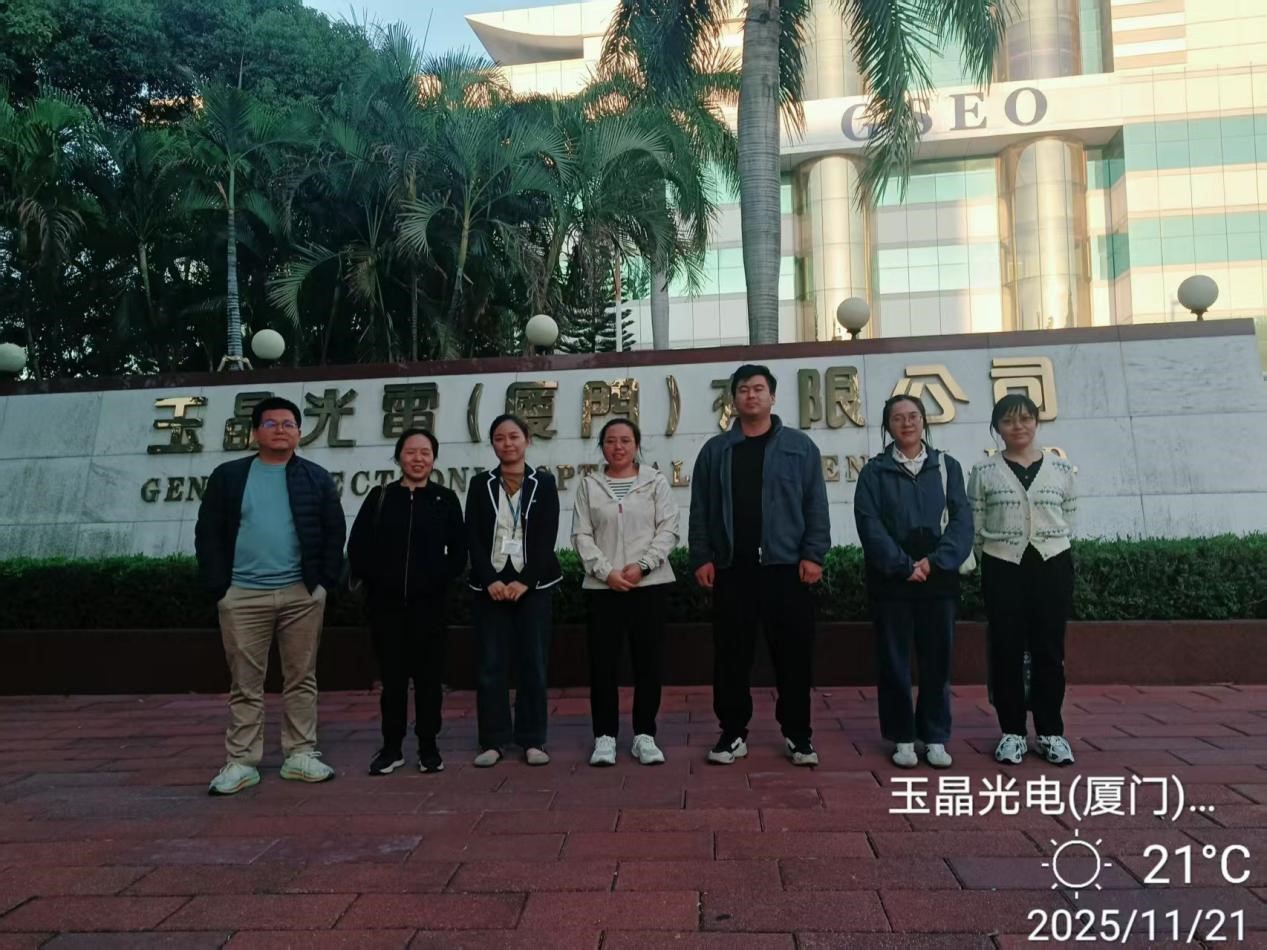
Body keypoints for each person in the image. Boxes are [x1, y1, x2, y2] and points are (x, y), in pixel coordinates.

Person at [195, 396, 346, 795]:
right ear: (254, 433)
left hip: (301, 594)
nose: (281, 430)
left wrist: (323, 585)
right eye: (271, 423)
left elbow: (334, 532)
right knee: (245, 683)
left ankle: (300, 754)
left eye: (288, 424)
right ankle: (242, 761)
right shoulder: (229, 476)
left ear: (299, 433)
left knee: (301, 678)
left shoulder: (315, 477)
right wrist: (220, 589)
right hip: (242, 595)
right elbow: (208, 533)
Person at [688, 364, 830, 767]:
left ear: (772, 396)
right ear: (733, 398)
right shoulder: (716, 451)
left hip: (787, 569)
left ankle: (798, 735)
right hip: (733, 569)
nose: (751, 396)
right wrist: (701, 556)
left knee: (793, 656)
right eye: (743, 390)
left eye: (758, 389)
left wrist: (814, 554)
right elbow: (700, 509)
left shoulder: (800, 447)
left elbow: (815, 504)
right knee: (731, 656)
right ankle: (732, 733)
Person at [854, 394, 972, 770]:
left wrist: (934, 563)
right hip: (892, 582)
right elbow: (869, 525)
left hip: (938, 581)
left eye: (914, 416)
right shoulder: (874, 472)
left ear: (924, 421)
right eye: (898, 418)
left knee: (937, 661)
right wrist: (903, 565)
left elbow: (962, 522)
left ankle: (935, 736)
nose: (907, 423)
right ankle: (903, 737)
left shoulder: (947, 467)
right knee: (894, 662)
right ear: (887, 426)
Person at [347, 428, 466, 776]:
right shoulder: (380, 497)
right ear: (399, 456)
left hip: (430, 608)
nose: (418, 458)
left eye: (425, 452)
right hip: (386, 608)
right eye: (411, 452)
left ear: (434, 459)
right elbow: (358, 547)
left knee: (429, 681)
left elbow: (459, 553)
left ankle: (429, 747)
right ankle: (392, 747)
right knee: (393, 681)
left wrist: (436, 581)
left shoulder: (445, 499)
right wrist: (379, 581)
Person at [969, 393, 1078, 766]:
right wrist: (986, 560)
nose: (1018, 426)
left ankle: (1050, 732)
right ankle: (1012, 732)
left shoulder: (1061, 469)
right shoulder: (983, 471)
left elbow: (1069, 518)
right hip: (1003, 566)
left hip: (1052, 565)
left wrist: (1054, 547)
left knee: (1050, 650)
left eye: (1025, 418)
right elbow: (976, 524)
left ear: (1036, 422)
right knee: (1006, 650)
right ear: (997, 428)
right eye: (1008, 420)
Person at [571, 418, 680, 767]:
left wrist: (643, 566)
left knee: (648, 664)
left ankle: (644, 735)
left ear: (636, 445)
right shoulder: (589, 485)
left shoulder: (655, 481)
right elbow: (581, 535)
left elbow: (668, 529)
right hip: (603, 588)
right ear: (601, 446)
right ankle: (604, 737)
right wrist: (606, 572)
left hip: (649, 586)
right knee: (603, 665)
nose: (618, 447)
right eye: (610, 441)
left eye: (625, 441)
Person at [465, 414, 562, 767]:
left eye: (514, 436)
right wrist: (489, 579)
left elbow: (547, 535)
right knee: (491, 665)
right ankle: (493, 740)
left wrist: (526, 581)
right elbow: (472, 536)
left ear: (527, 440)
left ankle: (532, 740)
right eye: (499, 438)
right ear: (492, 444)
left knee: (533, 664)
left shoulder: (544, 483)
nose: (507, 443)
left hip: (533, 587)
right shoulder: (480, 484)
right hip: (489, 588)